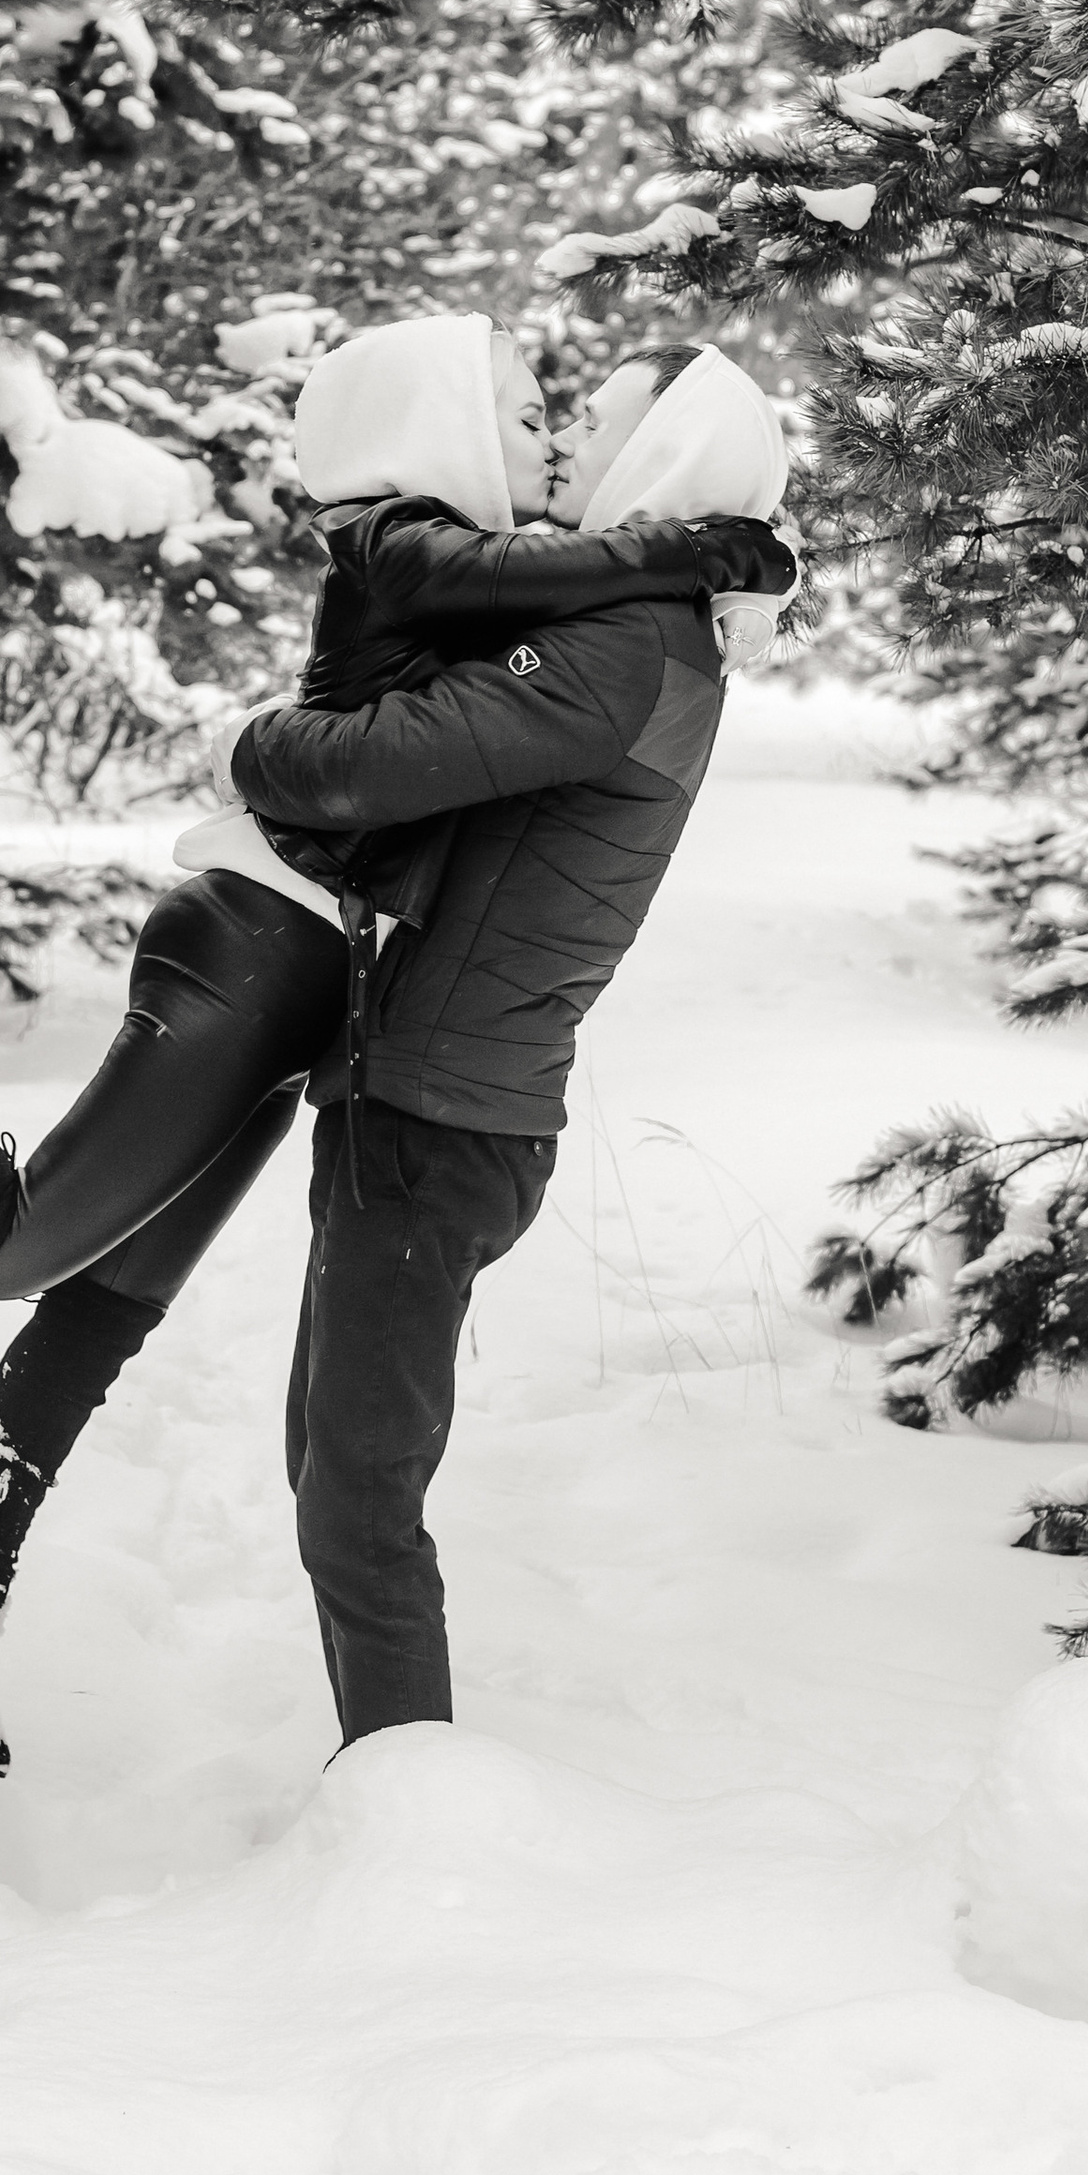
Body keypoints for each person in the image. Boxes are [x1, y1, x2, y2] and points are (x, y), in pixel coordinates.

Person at [0, 317, 790, 1770]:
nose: (550, 438)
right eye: (526, 410)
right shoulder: (416, 546)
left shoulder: (532, 590)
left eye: (571, 420)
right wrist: (698, 552)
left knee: (111, 1299)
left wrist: (718, 566)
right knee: (9, 1249)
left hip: (318, 982)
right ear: (438, 421)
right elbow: (462, 669)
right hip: (255, 944)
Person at [225, 340, 789, 1750]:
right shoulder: (636, 621)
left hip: (442, 1120)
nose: (566, 445)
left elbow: (357, 766)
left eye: (593, 421)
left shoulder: (625, 645)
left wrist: (251, 743)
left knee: (356, 1504)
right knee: (331, 1474)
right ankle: (393, 1789)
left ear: (661, 455)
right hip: (427, 1100)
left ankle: (410, 1813)